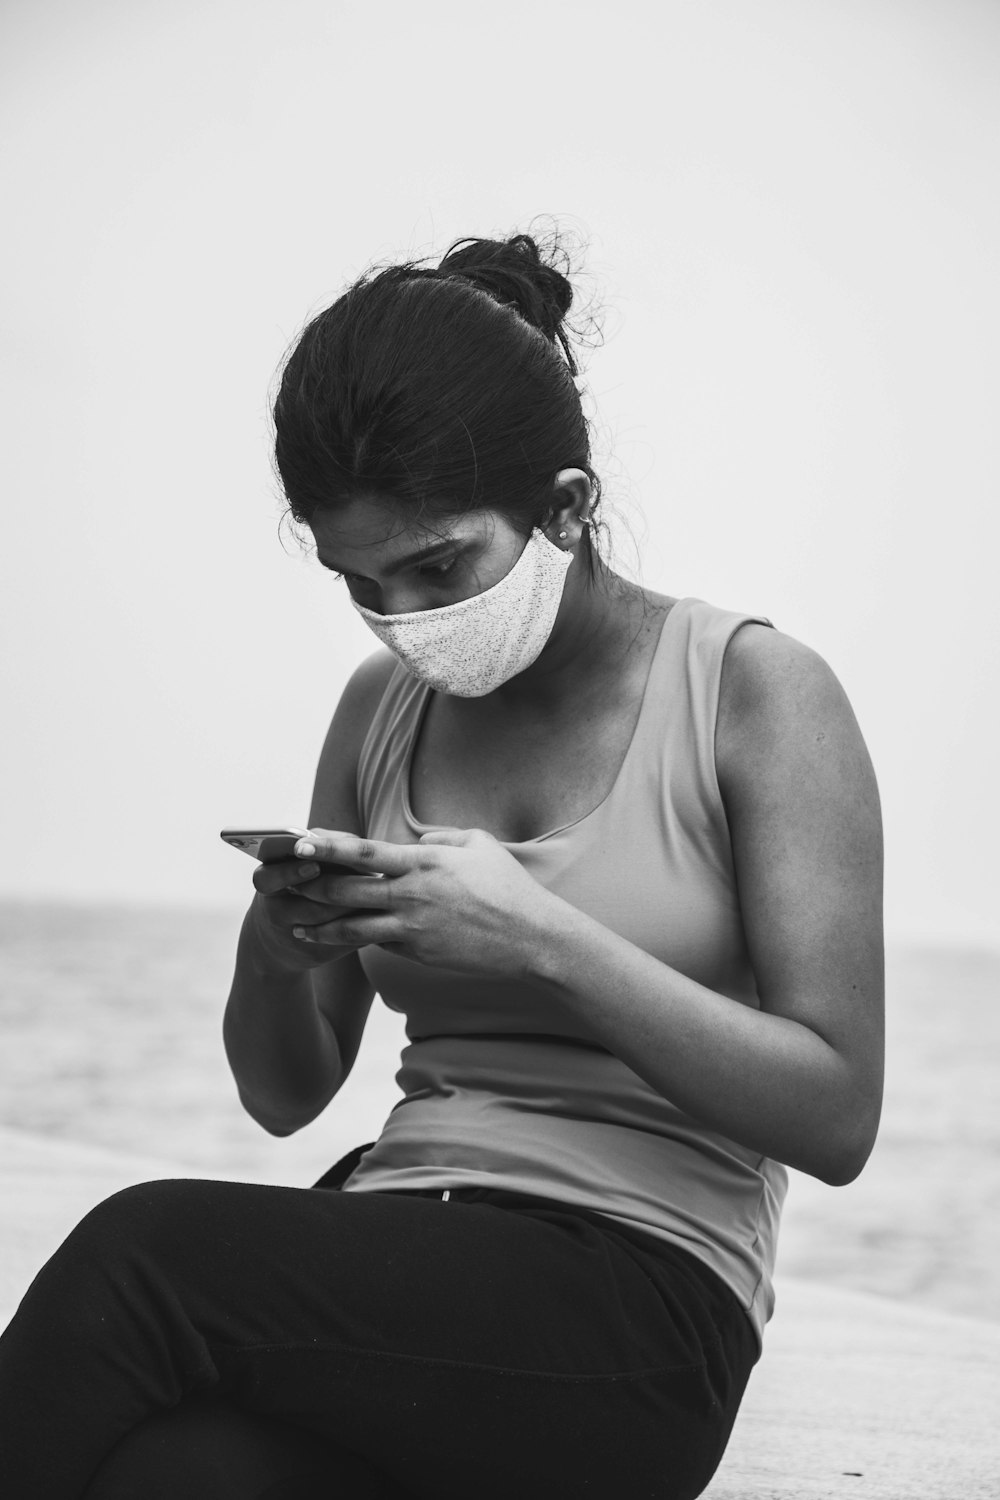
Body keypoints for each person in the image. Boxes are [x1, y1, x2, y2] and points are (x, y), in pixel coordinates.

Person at [0, 230, 884, 1500]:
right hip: (406, 1244)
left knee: (144, 1254)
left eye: (440, 566)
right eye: (363, 583)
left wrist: (539, 935)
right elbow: (286, 1096)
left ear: (566, 508)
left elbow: (837, 1112)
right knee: (168, 1471)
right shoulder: (379, 709)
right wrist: (278, 941)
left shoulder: (755, 695)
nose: (406, 620)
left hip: (640, 1299)